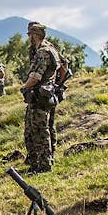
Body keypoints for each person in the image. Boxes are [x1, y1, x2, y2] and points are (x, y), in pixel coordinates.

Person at [19, 22, 61, 172]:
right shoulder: (52, 49)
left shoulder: (42, 52)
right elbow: (64, 67)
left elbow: (36, 77)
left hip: (39, 96)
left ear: (35, 35)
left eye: (30, 34)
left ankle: (44, 165)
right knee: (44, 128)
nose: (28, 37)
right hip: (47, 93)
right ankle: (41, 160)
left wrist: (24, 87)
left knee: (39, 131)